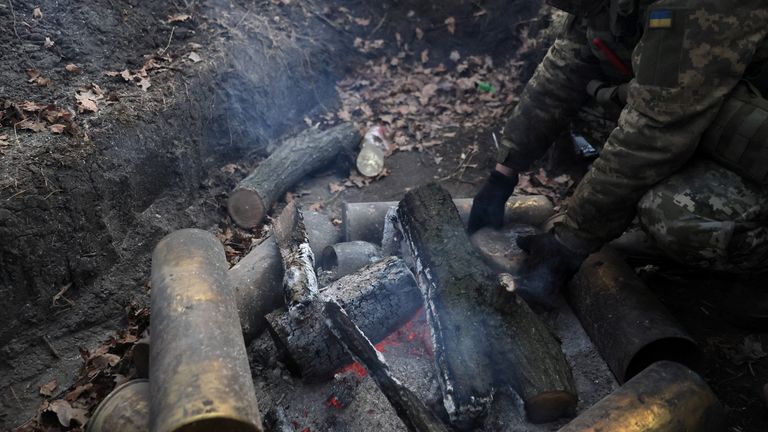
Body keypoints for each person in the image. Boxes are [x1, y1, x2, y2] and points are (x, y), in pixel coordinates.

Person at [468, 0, 768, 315]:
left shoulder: (691, 6)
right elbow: (566, 68)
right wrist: (504, 172)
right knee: (591, 108)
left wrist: (570, 241)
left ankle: (755, 266)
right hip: (714, 123)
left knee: (668, 213)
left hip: (749, 142)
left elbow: (653, 133)